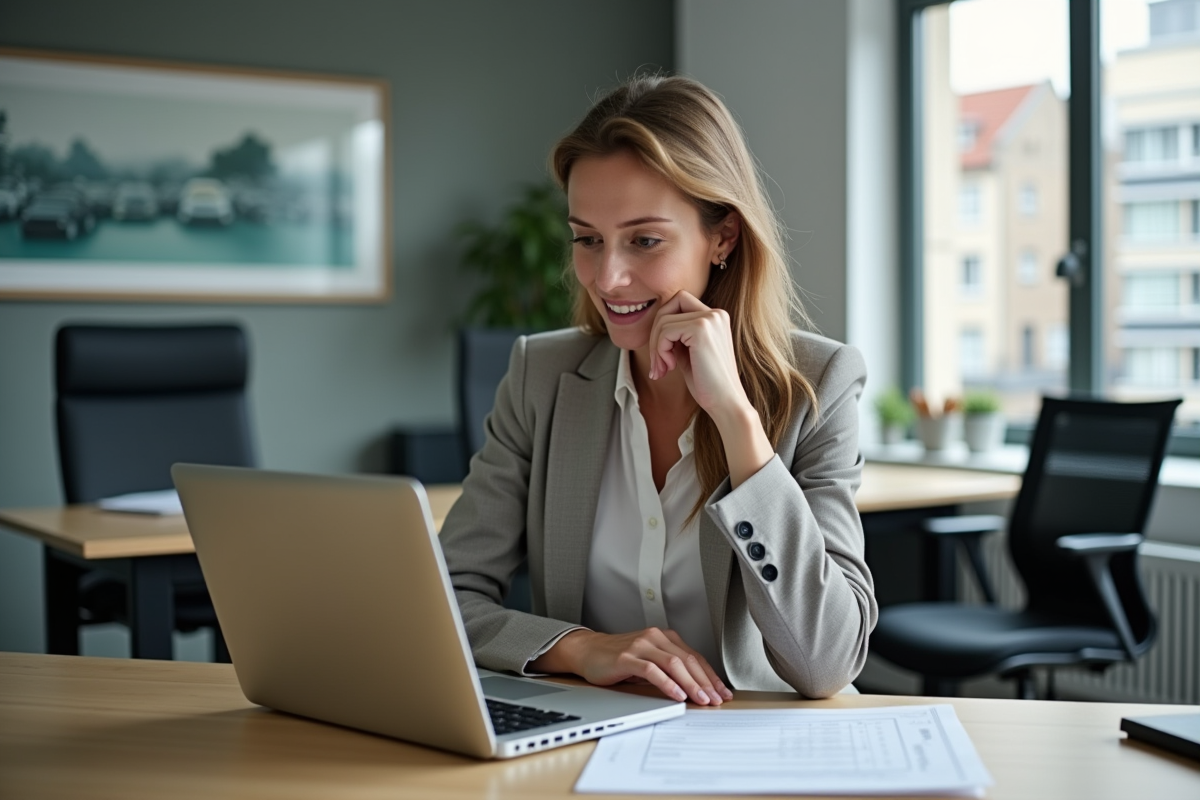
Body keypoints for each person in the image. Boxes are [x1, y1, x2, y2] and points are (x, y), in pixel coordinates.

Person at [439, 74, 876, 703]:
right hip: (589, 736)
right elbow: (447, 596)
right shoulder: (542, 377)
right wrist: (581, 647)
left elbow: (828, 661)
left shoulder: (818, 384)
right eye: (588, 239)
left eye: (644, 240)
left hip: (764, 745)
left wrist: (737, 422)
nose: (608, 278)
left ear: (722, 236)